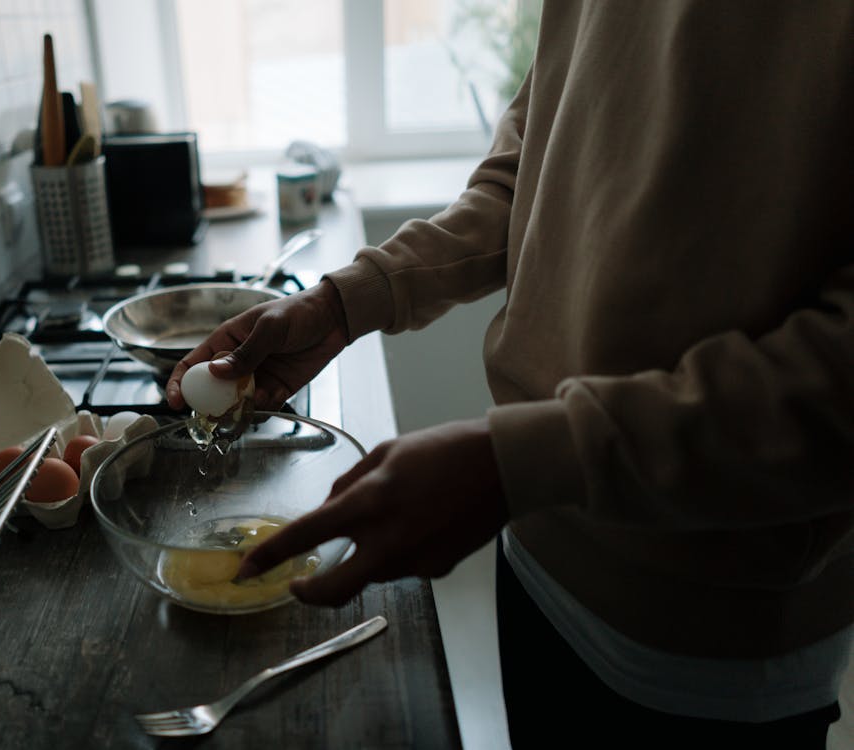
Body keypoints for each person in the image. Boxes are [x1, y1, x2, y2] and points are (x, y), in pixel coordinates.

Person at [165, 2, 853, 747]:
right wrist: (348, 301)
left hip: (704, 632)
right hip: (535, 546)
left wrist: (518, 461)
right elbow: (534, 164)